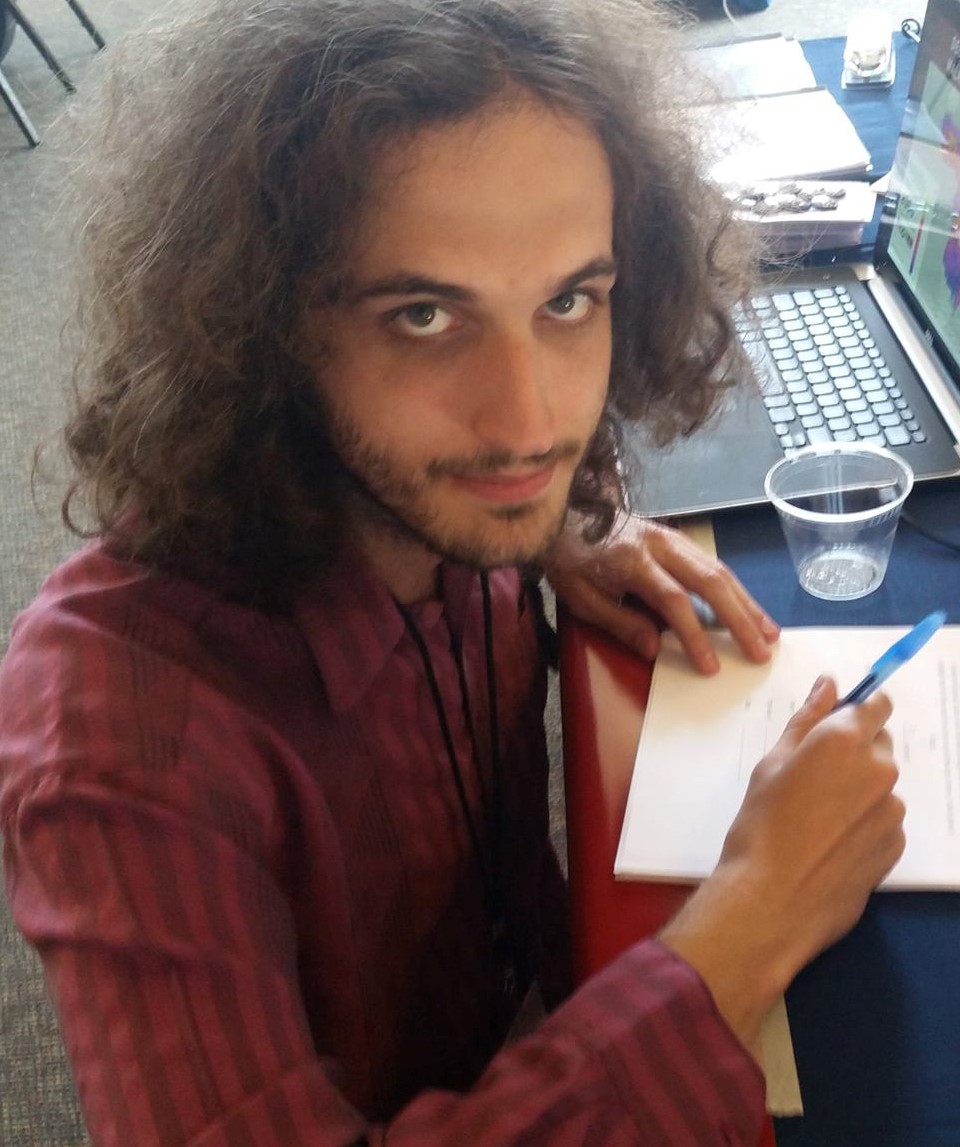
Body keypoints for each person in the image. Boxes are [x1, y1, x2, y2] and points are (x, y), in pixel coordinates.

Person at [0, 0, 904, 1144]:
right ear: (259, 320)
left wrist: (556, 526)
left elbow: (524, 454)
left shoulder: (449, 493)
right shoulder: (121, 737)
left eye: (568, 301)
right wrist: (751, 923)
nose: (527, 423)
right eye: (424, 315)